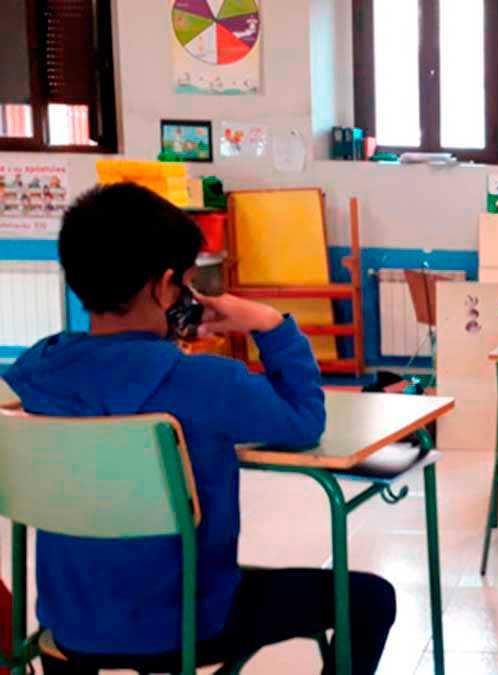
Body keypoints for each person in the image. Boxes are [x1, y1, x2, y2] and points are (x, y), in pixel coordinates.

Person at [3, 184, 396, 675]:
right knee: (370, 599)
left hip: (69, 629)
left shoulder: (37, 372)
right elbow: (304, 419)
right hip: (187, 625)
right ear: (166, 287)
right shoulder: (206, 381)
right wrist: (269, 324)